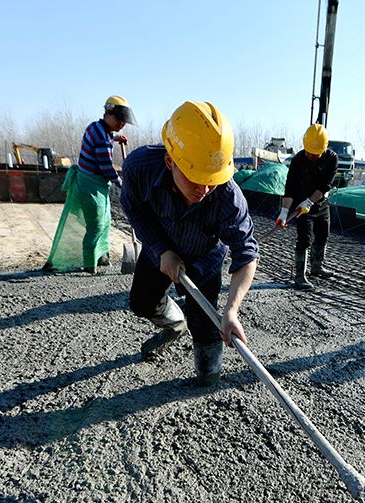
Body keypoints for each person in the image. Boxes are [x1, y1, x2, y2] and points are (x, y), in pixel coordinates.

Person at [120, 101, 259, 386]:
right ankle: (174, 323)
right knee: (142, 303)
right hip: (159, 247)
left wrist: (231, 310)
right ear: (170, 162)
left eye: (212, 180)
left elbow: (246, 254)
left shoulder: (228, 196)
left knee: (205, 324)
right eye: (196, 178)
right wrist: (162, 249)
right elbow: (134, 208)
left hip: (205, 256)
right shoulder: (139, 169)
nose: (205, 189)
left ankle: (208, 375)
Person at [43, 96, 135, 274]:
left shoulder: (97, 127)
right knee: (96, 225)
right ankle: (89, 264)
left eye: (124, 120)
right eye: (119, 119)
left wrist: (115, 137)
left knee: (105, 221)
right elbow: (107, 169)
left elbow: (105, 138)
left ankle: (101, 257)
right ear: (107, 113)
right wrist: (124, 185)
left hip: (95, 184)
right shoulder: (101, 137)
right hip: (90, 186)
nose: (122, 123)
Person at [276, 123, 338, 290]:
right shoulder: (297, 161)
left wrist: (310, 201)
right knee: (304, 239)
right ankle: (300, 276)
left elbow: (325, 185)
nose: (311, 155)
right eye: (308, 151)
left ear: (324, 149)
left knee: (323, 235)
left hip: (320, 203)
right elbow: (290, 187)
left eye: (315, 154)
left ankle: (317, 267)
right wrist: (284, 212)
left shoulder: (331, 159)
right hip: (300, 205)